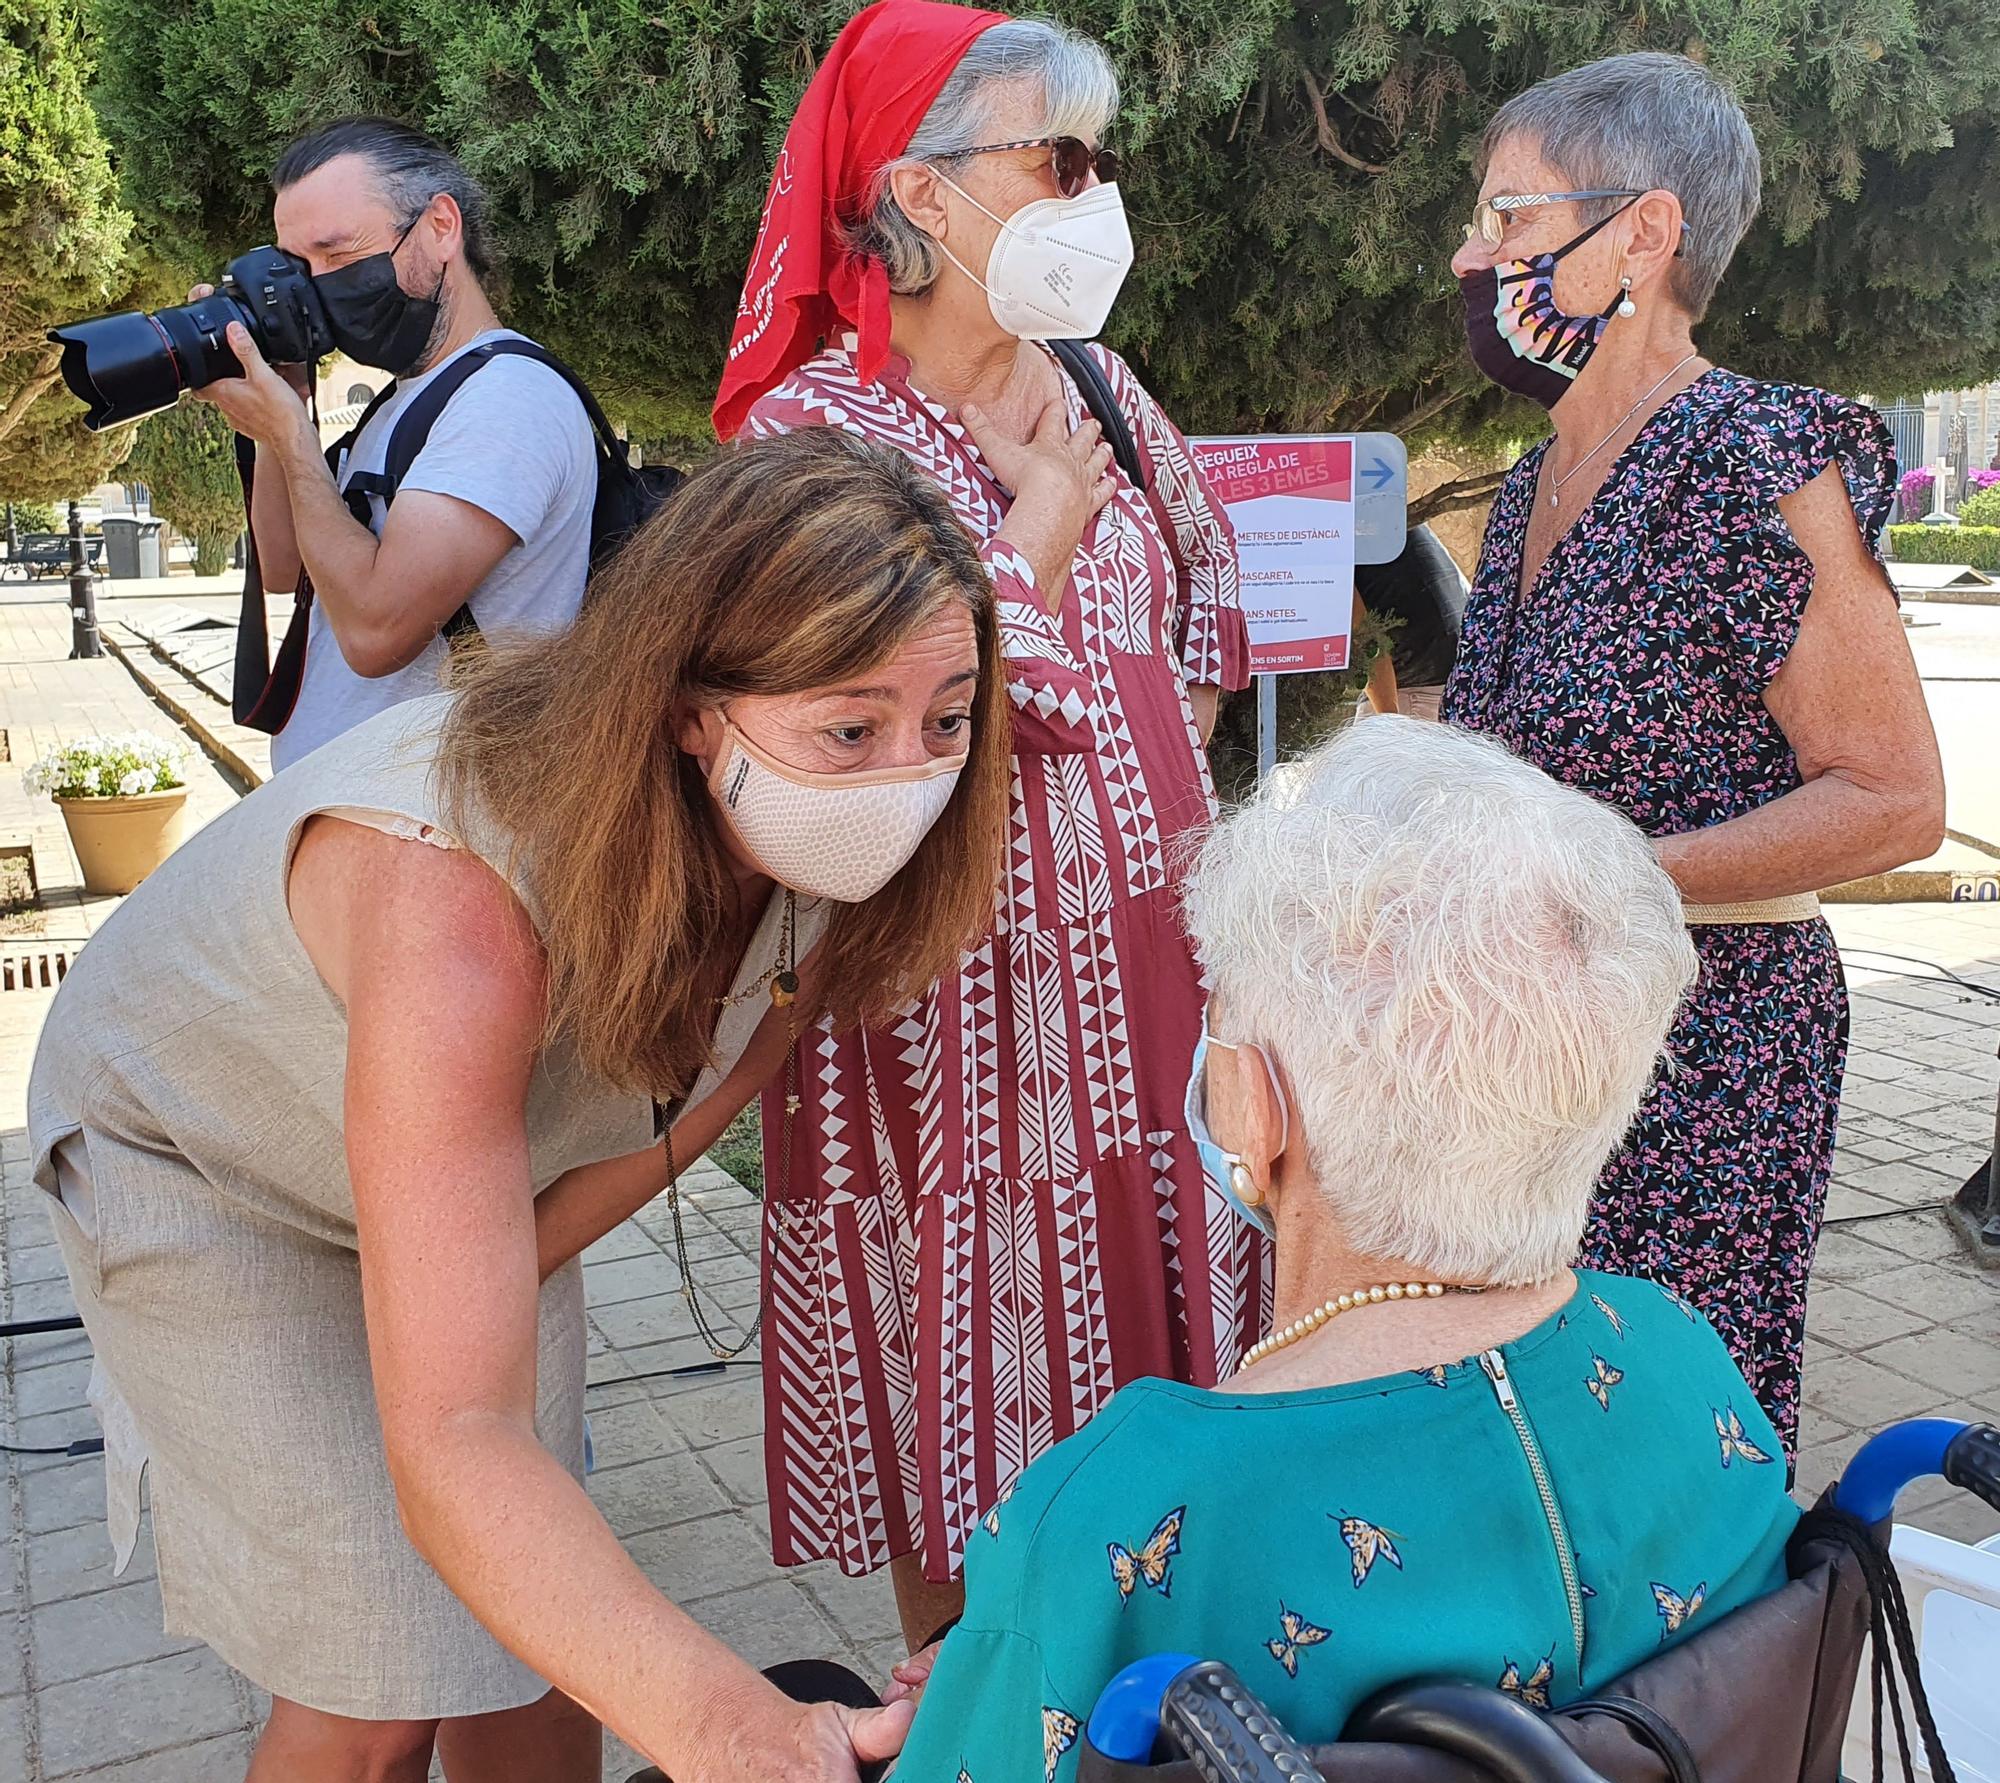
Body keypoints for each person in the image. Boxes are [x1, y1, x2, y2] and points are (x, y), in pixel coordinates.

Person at [25, 429, 1013, 1783]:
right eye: (851, 723)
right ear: (686, 703)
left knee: (539, 1635)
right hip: (204, 1153)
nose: (907, 772)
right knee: (376, 1680)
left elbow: (716, 1079)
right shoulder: (454, 904)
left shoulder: (812, 827)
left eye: (946, 717)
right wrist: (733, 1727)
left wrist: (465, 1277)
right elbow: (458, 1434)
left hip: (435, 1150)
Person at [884, 717, 1802, 1780]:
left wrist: (1002, 1664)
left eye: (1218, 1020)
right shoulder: (1687, 1359)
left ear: (1255, 1108)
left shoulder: (1112, 1516)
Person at [714, 0, 1262, 1648]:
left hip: (1161, 1003)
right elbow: (840, 734)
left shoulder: (1099, 381)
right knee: (988, 1512)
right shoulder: (808, 440)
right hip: (954, 1036)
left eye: (1101, 158)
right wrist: (1027, 545)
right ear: (924, 196)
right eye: (1058, 157)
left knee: (1198, 1477)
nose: (1095, 196)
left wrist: (1135, 813)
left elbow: (1205, 609)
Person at [1442, 52, 1945, 1455]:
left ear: (1644, 236)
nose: (1473, 257)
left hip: (1703, 1059)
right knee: (1531, 1444)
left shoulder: (1751, 457)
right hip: (1540, 1051)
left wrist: (1605, 882)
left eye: (1510, 218)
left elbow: (1899, 798)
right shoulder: (1539, 470)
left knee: (1661, 1458)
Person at [200, 117, 597, 772]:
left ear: (441, 226)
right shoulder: (402, 401)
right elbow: (284, 565)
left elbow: (376, 632)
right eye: (299, 267)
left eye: (338, 253)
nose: (317, 285)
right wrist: (284, 401)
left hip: (440, 840)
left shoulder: (507, 398)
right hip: (358, 828)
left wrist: (293, 438)